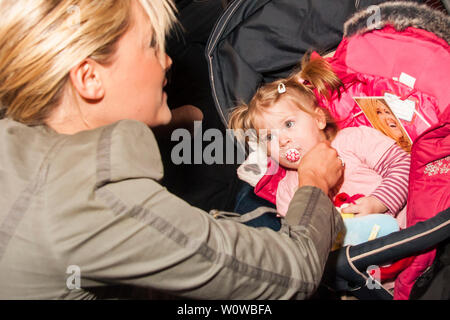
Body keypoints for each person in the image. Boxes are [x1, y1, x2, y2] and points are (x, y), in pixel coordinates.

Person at [0, 0, 345, 299]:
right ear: (89, 79)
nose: (166, 61)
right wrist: (313, 178)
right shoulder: (101, 204)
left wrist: (159, 121)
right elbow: (296, 271)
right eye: (151, 44)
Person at [229, 55, 411, 245]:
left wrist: (379, 202)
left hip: (403, 235)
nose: (282, 140)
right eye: (269, 137)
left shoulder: (353, 140)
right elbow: (299, 238)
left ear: (318, 120)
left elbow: (404, 166)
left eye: (289, 124)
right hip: (353, 262)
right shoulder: (287, 190)